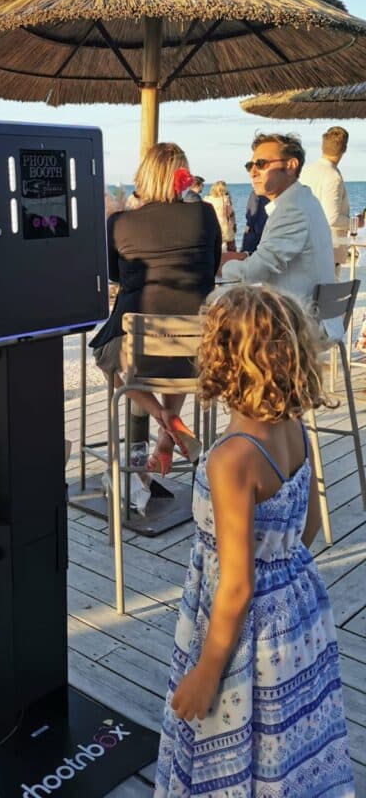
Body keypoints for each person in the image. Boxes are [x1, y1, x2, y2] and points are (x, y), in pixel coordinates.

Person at [154, 284, 355, 797]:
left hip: (244, 631)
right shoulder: (293, 429)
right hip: (298, 608)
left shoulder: (231, 460)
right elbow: (306, 526)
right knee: (284, 733)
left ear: (218, 361)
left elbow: (238, 586)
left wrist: (206, 670)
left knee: (237, 728)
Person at [90, 143, 222, 474]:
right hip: (196, 346)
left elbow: (113, 274)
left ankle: (163, 419)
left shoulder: (120, 223)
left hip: (139, 343)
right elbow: (212, 266)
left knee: (105, 358)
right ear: (183, 176)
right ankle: (166, 437)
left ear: (144, 177)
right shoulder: (205, 214)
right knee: (178, 355)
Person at [221, 132, 341, 339]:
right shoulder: (306, 200)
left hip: (298, 323)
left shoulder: (292, 210)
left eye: (261, 164)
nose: (253, 172)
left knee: (217, 326)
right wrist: (244, 260)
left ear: (291, 165)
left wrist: (220, 265)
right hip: (316, 317)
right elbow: (271, 261)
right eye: (250, 166)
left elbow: (253, 273)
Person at [300, 125, 351, 269]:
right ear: (344, 149)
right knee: (330, 289)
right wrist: (353, 222)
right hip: (328, 248)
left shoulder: (305, 171)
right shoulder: (333, 176)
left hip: (306, 244)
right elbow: (332, 217)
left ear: (322, 146)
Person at [203, 180, 237, 251]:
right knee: (231, 249)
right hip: (225, 229)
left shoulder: (206, 199)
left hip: (211, 228)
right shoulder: (225, 199)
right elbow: (230, 213)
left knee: (214, 250)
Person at [240, 189, 268, 253]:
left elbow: (253, 210)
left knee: (248, 252)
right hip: (265, 227)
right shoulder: (269, 193)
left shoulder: (256, 193)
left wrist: (248, 224)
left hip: (255, 228)